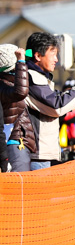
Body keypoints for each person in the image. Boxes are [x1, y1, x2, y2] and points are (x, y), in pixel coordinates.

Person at [25, 32, 75, 169]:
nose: (56, 59)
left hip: (43, 153)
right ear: (38, 56)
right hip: (38, 154)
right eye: (53, 54)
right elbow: (56, 107)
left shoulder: (39, 77)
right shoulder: (32, 78)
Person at [0, 44, 28, 172]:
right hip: (10, 143)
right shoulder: (2, 85)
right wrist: (21, 62)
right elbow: (20, 92)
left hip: (17, 142)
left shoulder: (9, 83)